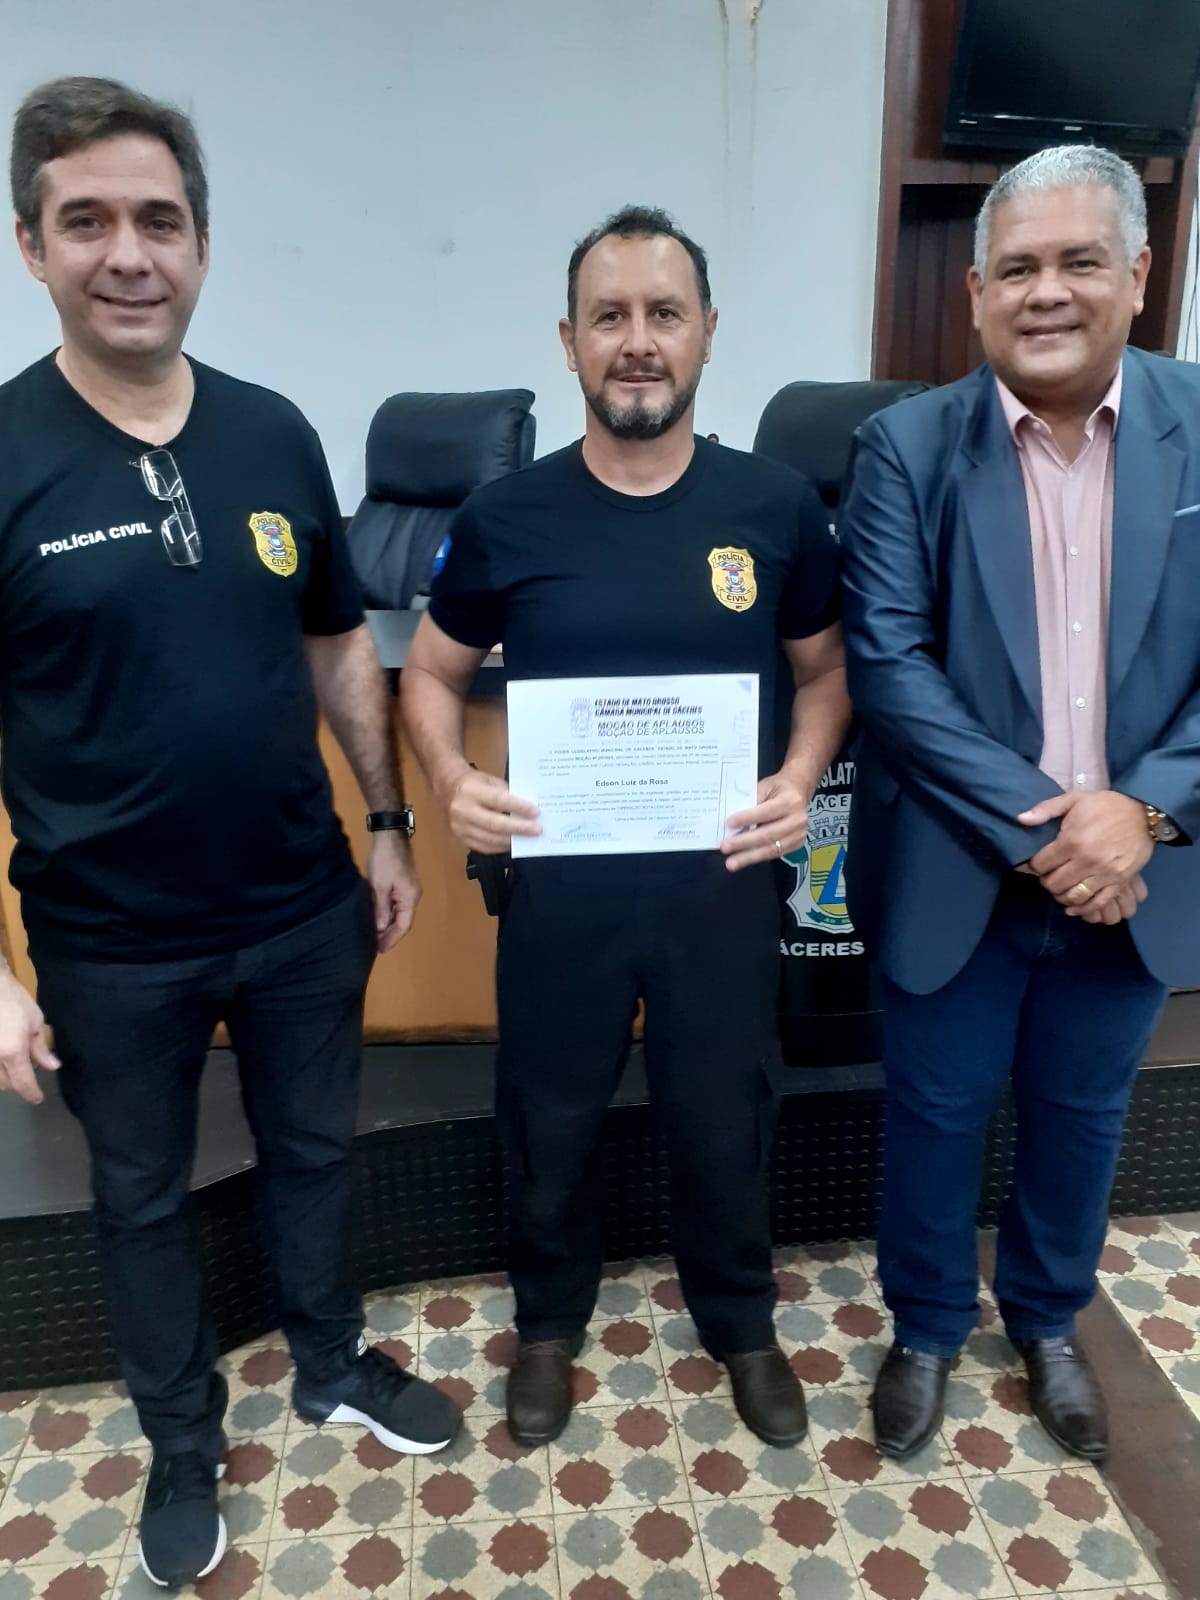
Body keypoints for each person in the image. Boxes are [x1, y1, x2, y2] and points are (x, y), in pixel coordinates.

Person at [1, 77, 459, 1587]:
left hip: (297, 905)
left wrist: (383, 821)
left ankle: (328, 1360)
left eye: (160, 219)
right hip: (106, 940)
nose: (129, 254)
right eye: (87, 221)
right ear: (31, 246)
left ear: (202, 243)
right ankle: (183, 1439)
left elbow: (334, 640)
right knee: (137, 1198)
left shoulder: (273, 433)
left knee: (315, 1150)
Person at [401, 205, 851, 1449]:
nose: (638, 341)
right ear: (569, 341)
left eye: (664, 313)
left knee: (726, 1110)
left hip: (722, 882)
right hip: (563, 889)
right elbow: (428, 671)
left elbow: (826, 672)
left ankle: (742, 1321)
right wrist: (448, 774)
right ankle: (548, 1322)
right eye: (610, 317)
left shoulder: (775, 507)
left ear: (707, 332)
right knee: (547, 1112)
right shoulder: (507, 515)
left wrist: (802, 772)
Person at [839, 144, 1200, 1465]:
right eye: (1018, 268)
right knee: (933, 1113)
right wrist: (1063, 827)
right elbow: (888, 662)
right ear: (978, 291)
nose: (1047, 292)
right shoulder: (905, 447)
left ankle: (1049, 1319)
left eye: (1079, 261)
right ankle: (928, 1325)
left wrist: (1140, 809)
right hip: (960, 860)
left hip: (1143, 868)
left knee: (1083, 1112)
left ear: (1139, 275)